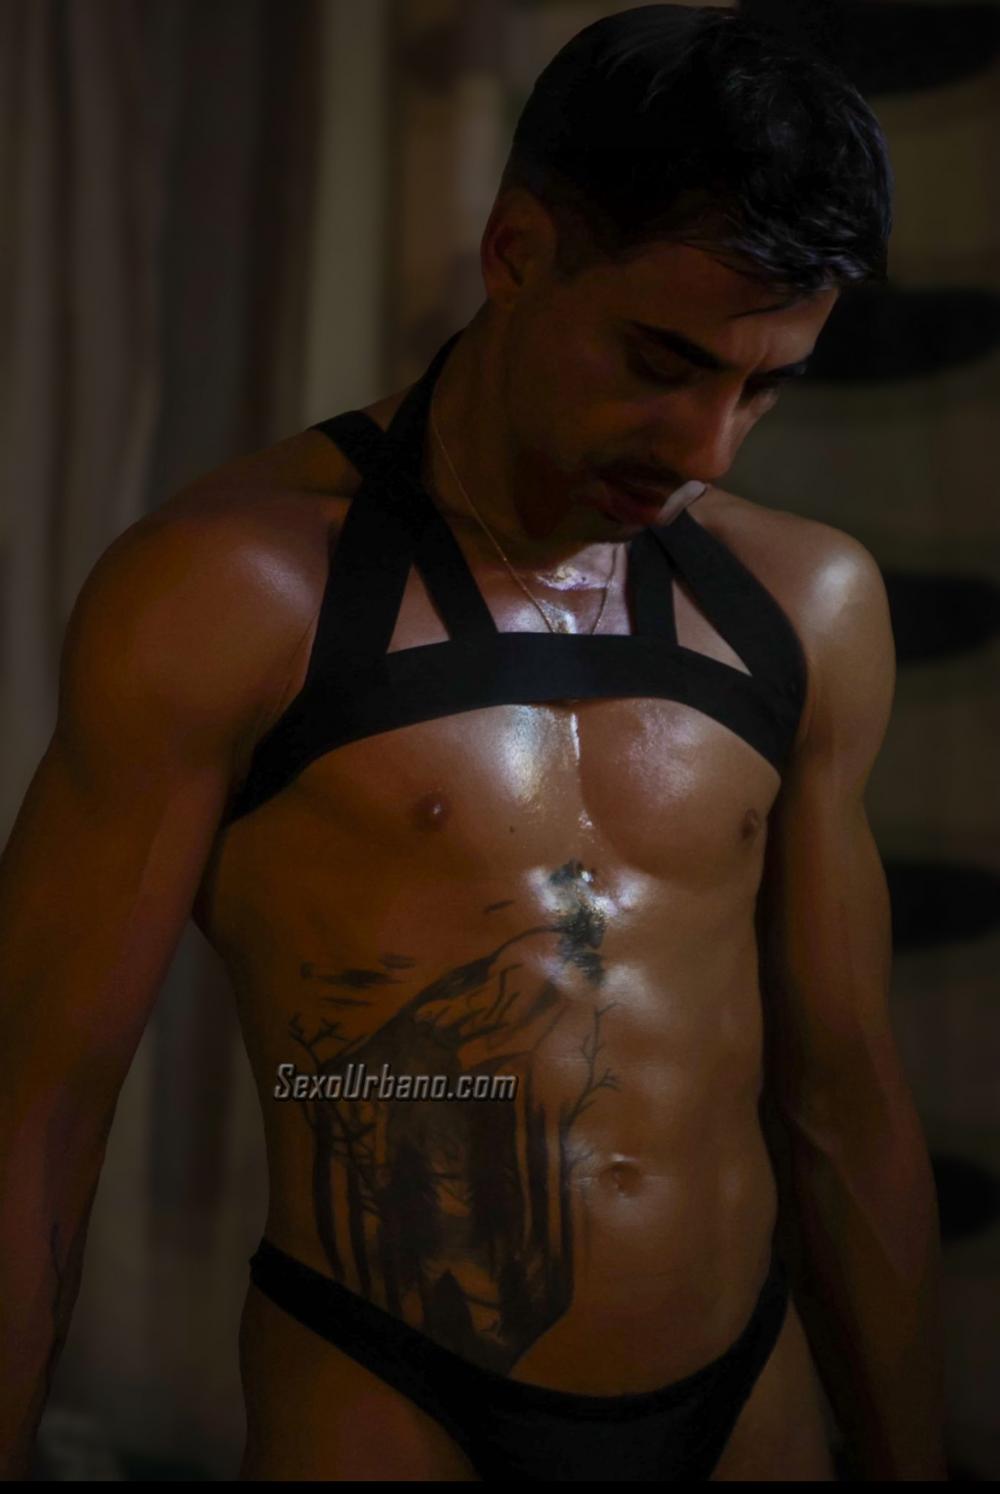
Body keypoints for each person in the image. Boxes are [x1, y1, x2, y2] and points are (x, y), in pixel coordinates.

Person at [0, 4, 947, 1482]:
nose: (705, 448)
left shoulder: (806, 602)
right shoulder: (233, 593)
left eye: (763, 387)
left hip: (744, 1402)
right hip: (393, 1395)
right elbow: (38, 1112)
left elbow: (843, 1098)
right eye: (663, 359)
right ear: (516, 252)